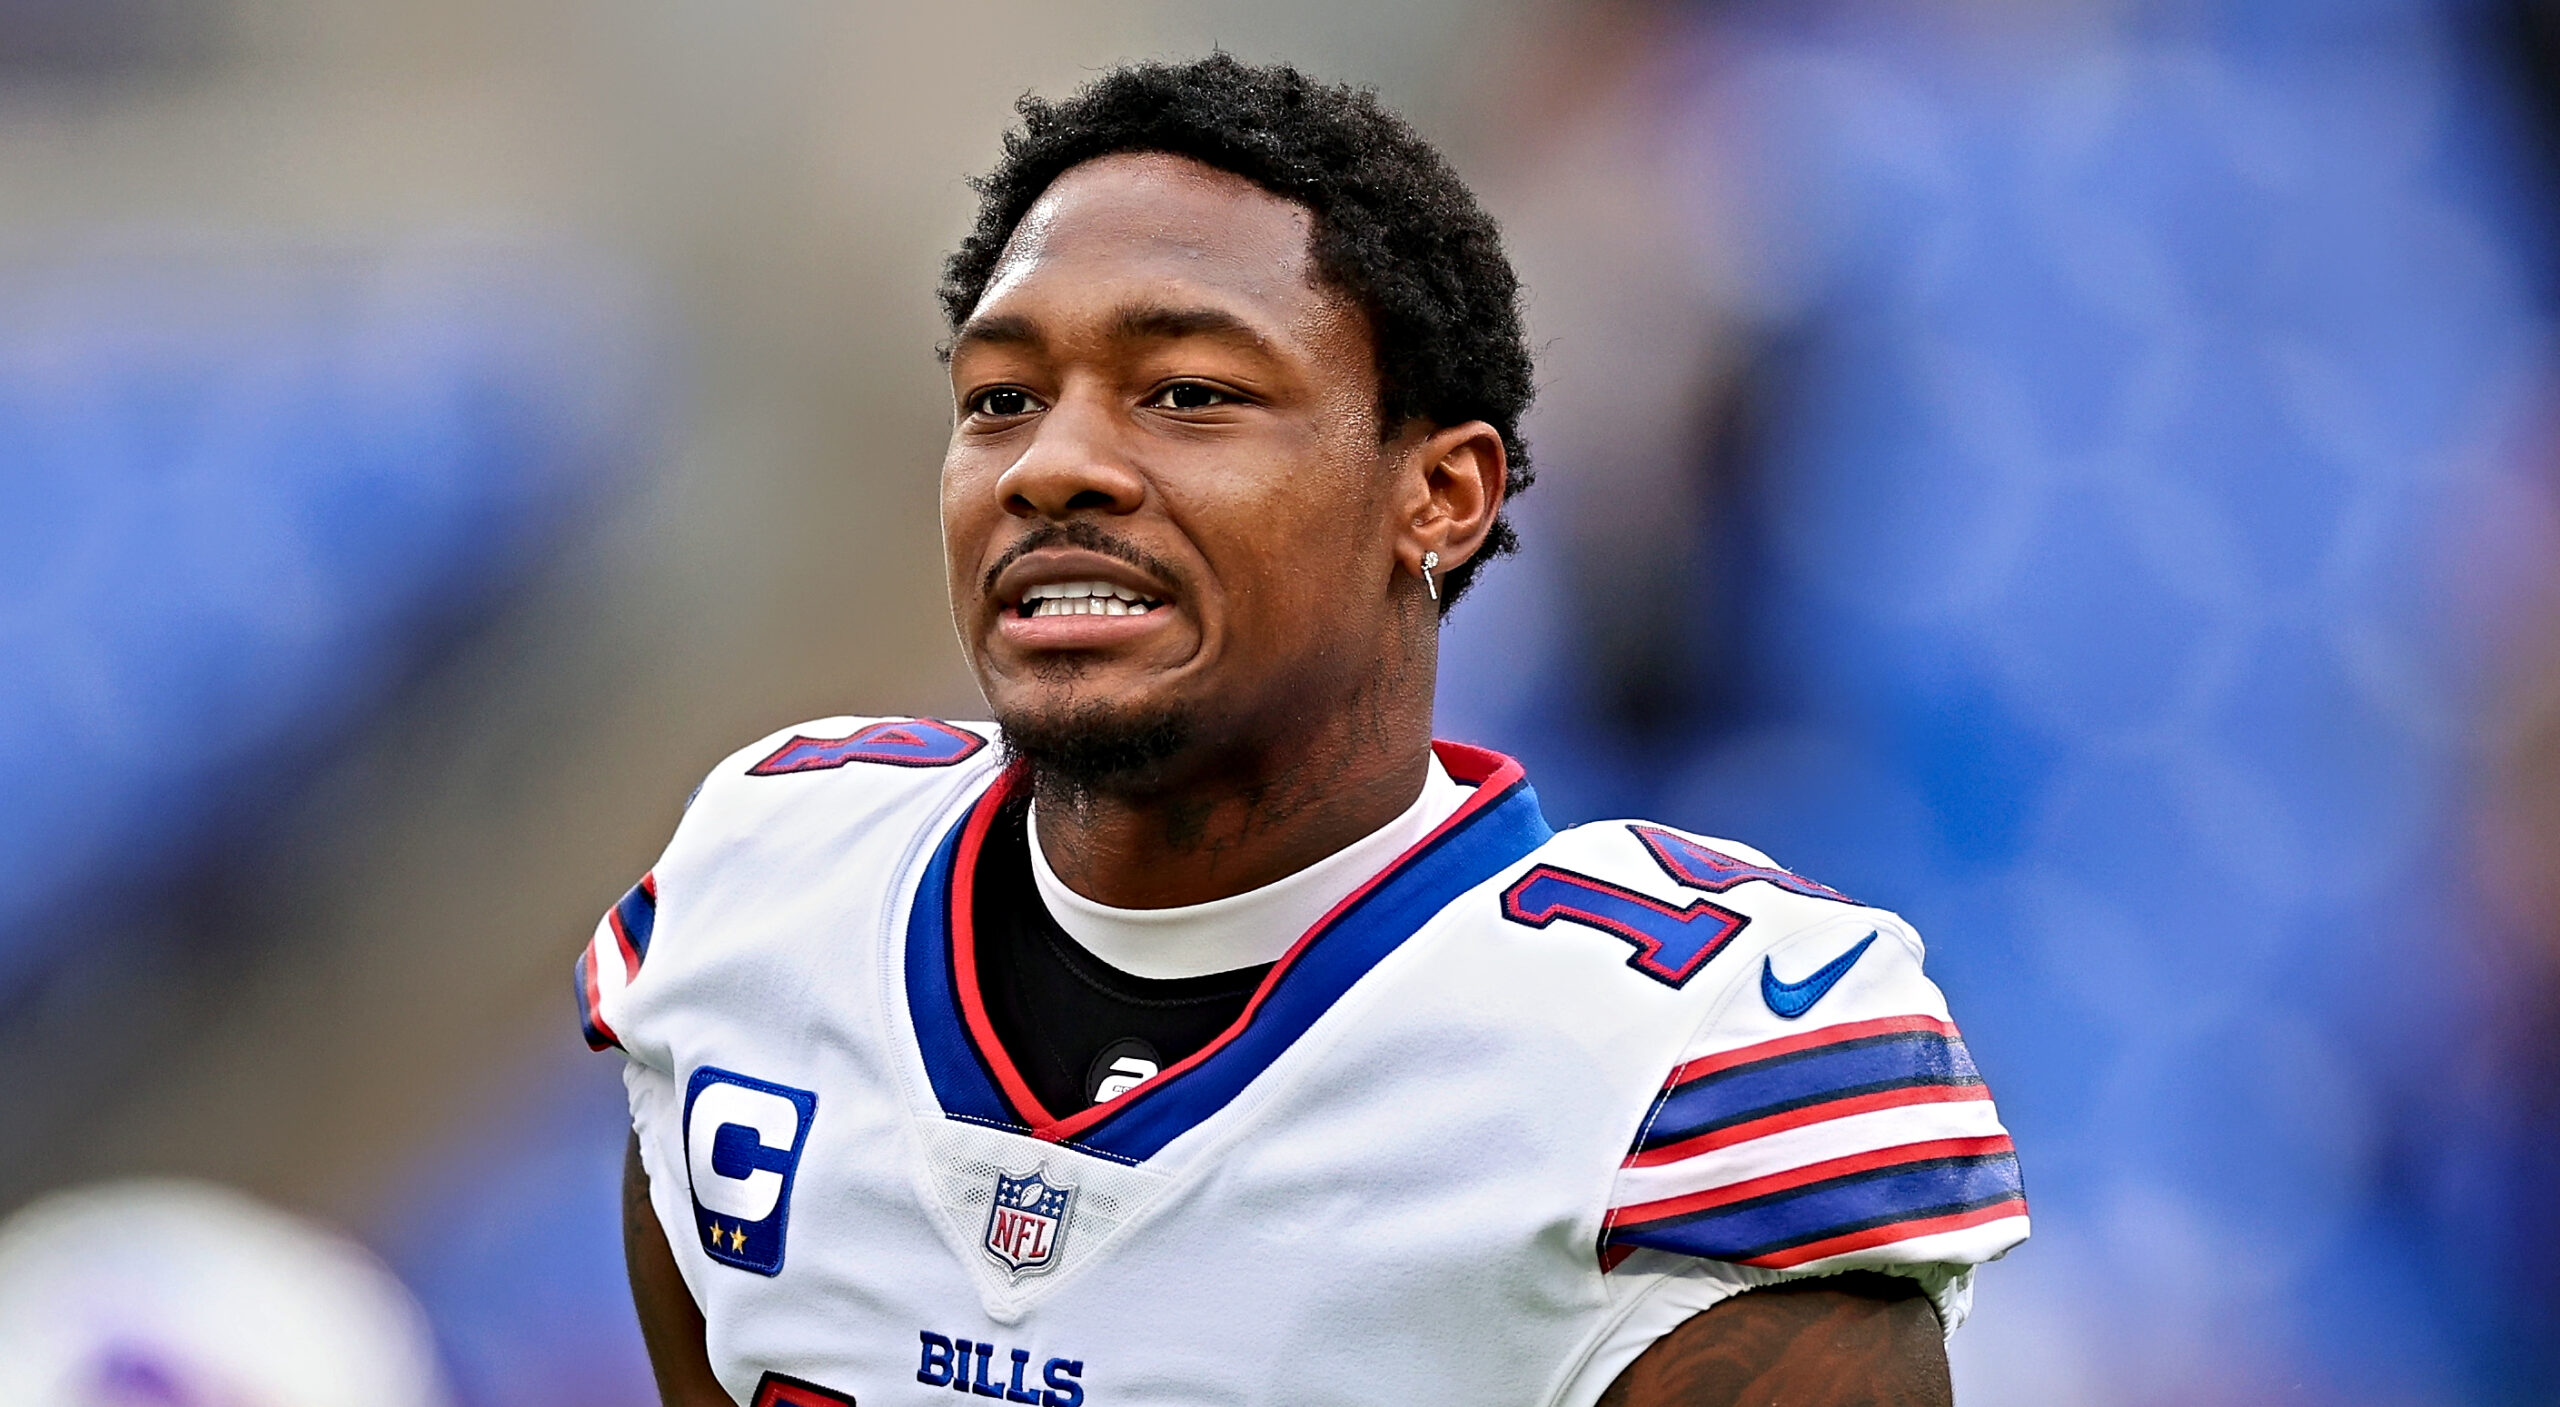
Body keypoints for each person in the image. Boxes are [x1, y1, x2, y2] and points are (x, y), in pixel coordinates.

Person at [577, 55, 2025, 1407]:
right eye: (1000, 398)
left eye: (1189, 393)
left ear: (1441, 496)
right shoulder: (767, 888)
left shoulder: (1678, 1063)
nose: (1055, 463)